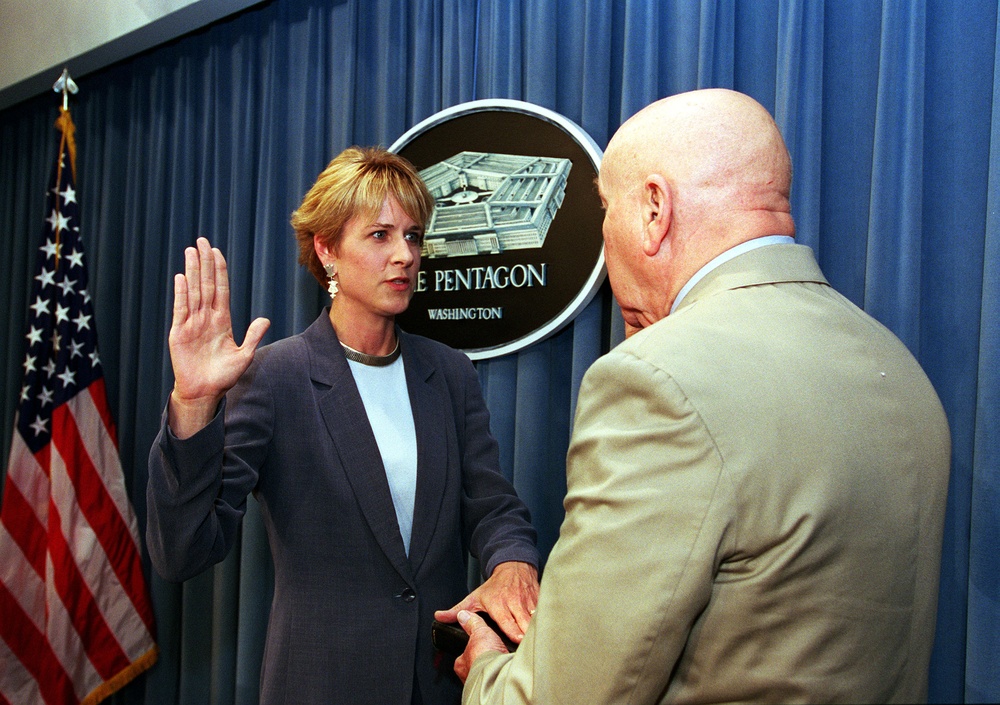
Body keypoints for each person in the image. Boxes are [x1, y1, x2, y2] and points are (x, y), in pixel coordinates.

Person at [447, 89, 951, 703]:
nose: (604, 246)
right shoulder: (893, 362)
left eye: (606, 209)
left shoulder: (657, 381)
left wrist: (486, 671)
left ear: (654, 210)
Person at [146, 146, 540, 705]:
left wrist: (514, 563)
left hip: (438, 685)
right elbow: (182, 551)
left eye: (413, 236)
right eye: (380, 235)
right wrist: (192, 402)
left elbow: (493, 506)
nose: (404, 254)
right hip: (320, 684)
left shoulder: (449, 373)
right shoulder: (276, 376)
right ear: (327, 249)